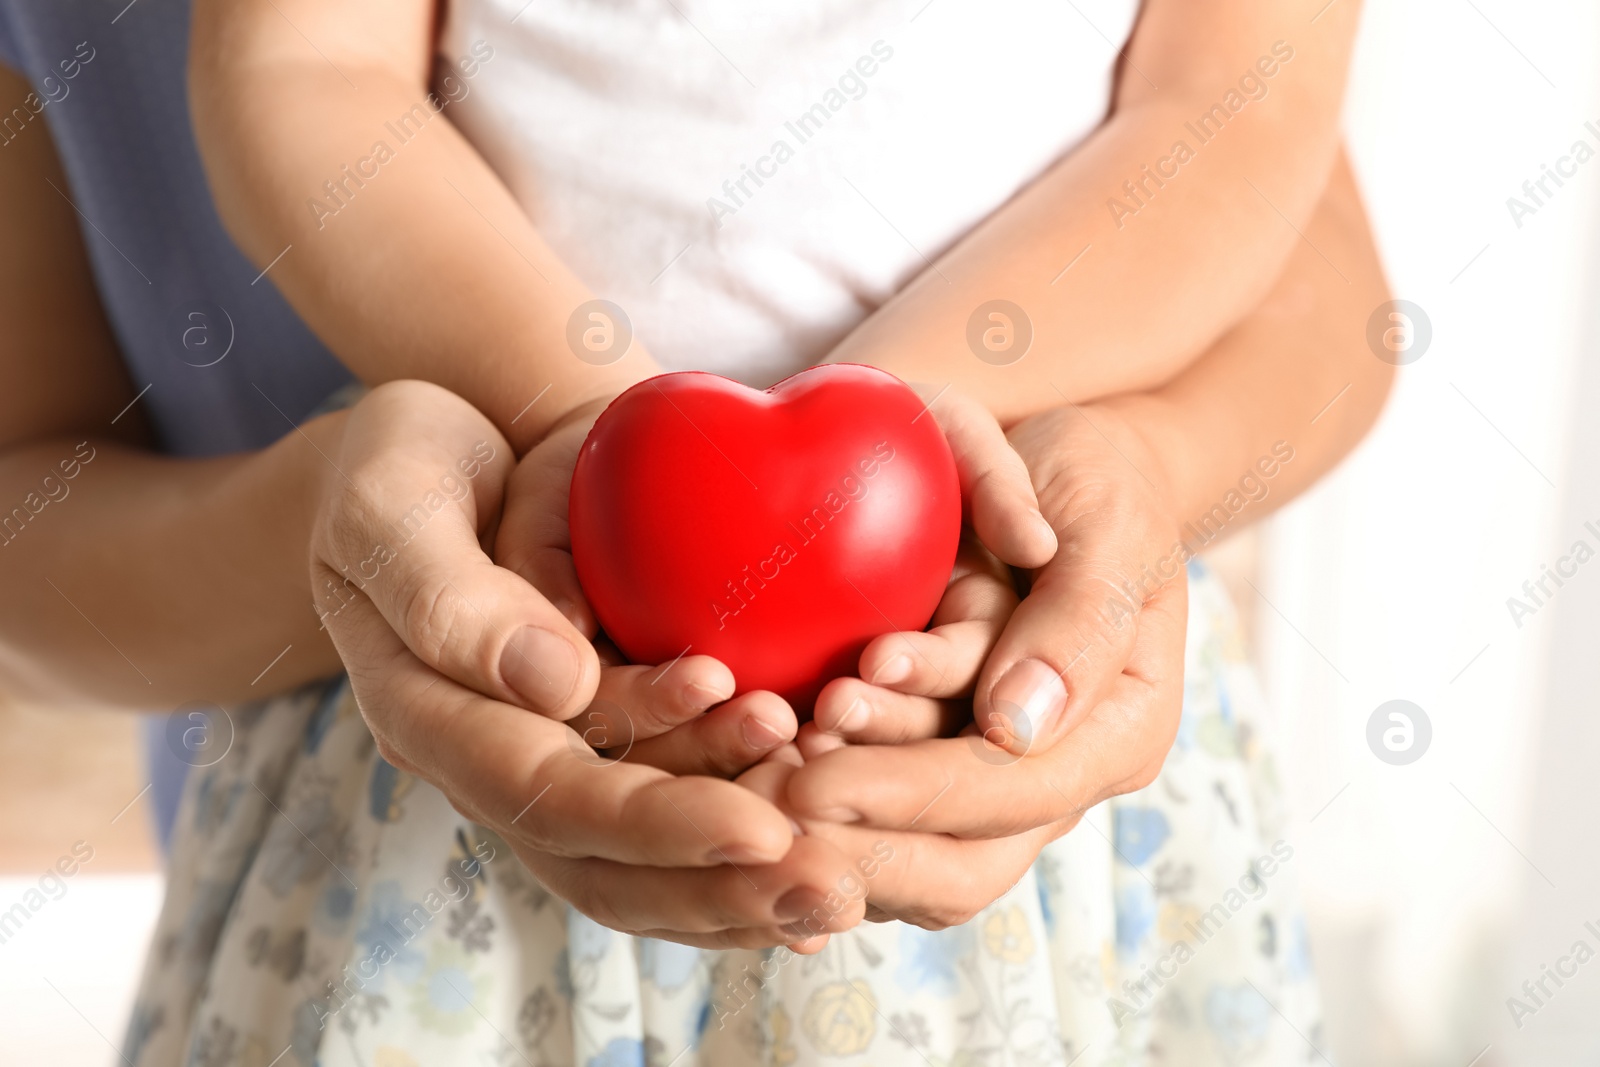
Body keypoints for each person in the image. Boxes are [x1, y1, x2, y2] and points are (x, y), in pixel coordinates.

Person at [0, 1, 1392, 1064]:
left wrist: (950, 443)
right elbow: (300, 74)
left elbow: (1247, 124)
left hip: (1055, 777)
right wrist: (601, 446)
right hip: (424, 805)